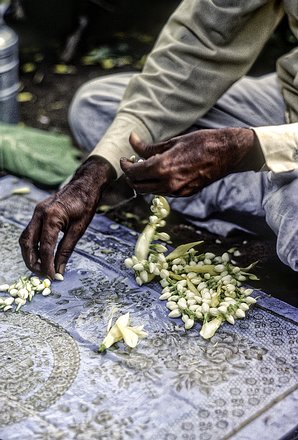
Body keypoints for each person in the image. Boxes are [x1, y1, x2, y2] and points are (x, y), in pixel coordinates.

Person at [19, 0, 298, 278]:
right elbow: (199, 45)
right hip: (288, 102)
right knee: (97, 109)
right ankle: (273, 194)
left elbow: (248, 145)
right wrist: (91, 176)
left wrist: (246, 148)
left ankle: (276, 196)